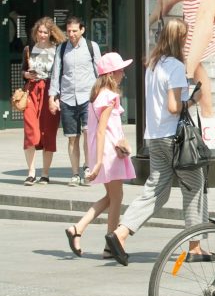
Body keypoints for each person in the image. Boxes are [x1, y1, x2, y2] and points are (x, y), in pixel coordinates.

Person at [106, 19, 210, 267]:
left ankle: (120, 234)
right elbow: (174, 107)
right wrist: (194, 99)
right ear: (179, 39)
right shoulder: (174, 67)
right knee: (195, 186)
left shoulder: (152, 65)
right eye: (185, 38)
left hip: (154, 136)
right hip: (174, 137)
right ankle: (195, 247)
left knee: (156, 190)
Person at [64, 53, 136, 258]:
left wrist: (96, 161)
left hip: (104, 151)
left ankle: (78, 229)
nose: (123, 73)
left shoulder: (97, 95)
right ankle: (110, 244)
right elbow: (102, 130)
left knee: (111, 197)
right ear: (111, 74)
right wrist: (97, 164)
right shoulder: (109, 97)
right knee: (117, 197)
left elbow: (95, 131)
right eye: (121, 70)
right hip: (110, 153)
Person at [49, 16, 102, 187]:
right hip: (67, 98)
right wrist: (52, 96)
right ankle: (74, 173)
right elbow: (56, 73)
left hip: (88, 97)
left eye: (74, 31)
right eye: (68, 31)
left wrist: (101, 93)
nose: (71, 34)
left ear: (82, 30)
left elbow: (100, 72)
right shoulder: (62, 48)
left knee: (88, 134)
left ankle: (87, 168)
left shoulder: (91, 47)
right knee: (72, 138)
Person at [22, 17, 65, 186]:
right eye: (39, 32)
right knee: (30, 131)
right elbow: (23, 69)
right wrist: (26, 74)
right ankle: (31, 172)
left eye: (45, 32)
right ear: (35, 32)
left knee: (48, 132)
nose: (42, 35)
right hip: (32, 91)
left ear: (51, 33)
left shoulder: (57, 50)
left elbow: (60, 74)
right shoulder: (29, 48)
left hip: (49, 91)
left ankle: (45, 173)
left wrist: (55, 96)